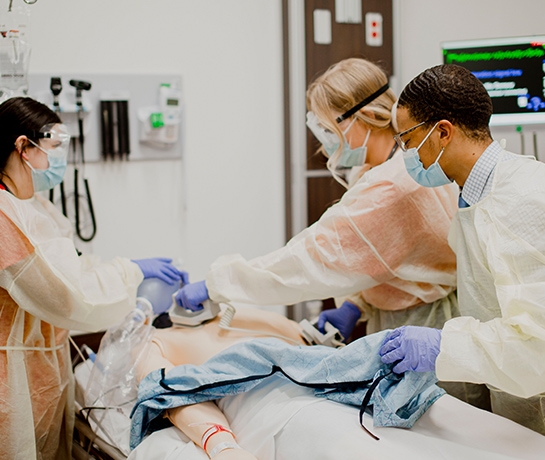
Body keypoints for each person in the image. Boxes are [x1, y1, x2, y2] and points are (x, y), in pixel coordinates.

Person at [176, 57, 459, 341]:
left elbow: (310, 259)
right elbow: (380, 256)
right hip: (404, 318)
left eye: (328, 127)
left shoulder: (392, 187)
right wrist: (354, 304)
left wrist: (218, 284)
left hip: (425, 329)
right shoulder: (382, 167)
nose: (325, 139)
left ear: (368, 116)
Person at [0, 97, 184, 460]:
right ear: (24, 146)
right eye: (53, 147)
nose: (59, 159)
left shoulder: (32, 204)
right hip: (12, 376)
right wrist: (133, 273)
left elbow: (73, 266)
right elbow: (69, 295)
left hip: (43, 363)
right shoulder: (6, 218)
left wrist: (125, 266)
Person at [379, 64, 545, 435]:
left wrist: (443, 346)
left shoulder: (524, 200)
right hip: (514, 401)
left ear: (441, 132)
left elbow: (538, 347)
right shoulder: (475, 197)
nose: (406, 154)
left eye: (407, 140)